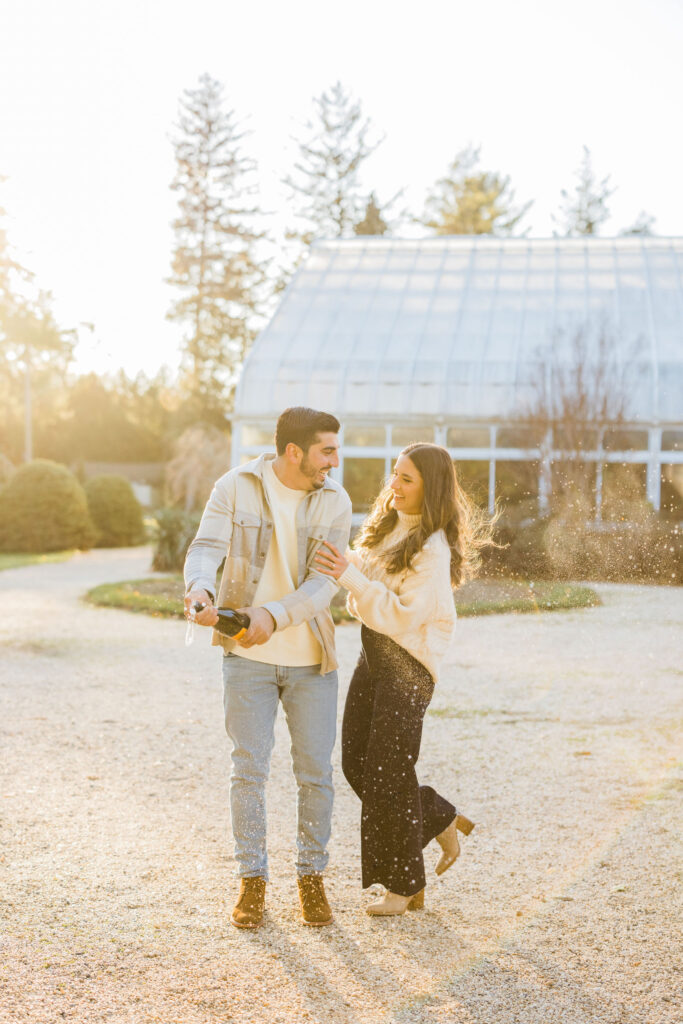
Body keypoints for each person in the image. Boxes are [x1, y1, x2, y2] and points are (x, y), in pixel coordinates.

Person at [184, 407, 352, 929]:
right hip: (248, 660)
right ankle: (252, 880)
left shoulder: (336, 500)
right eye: (327, 450)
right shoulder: (235, 486)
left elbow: (323, 585)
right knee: (248, 771)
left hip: (311, 662)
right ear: (294, 451)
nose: (335, 461)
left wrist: (271, 616)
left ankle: (311, 878)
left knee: (315, 775)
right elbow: (206, 548)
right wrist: (199, 589)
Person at [315, 442, 493, 916]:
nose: (393, 484)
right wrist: (341, 563)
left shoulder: (432, 550)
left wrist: (352, 578)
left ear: (429, 488)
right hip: (376, 651)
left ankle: (404, 884)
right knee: (357, 762)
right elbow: (366, 575)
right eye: (394, 474)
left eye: (406, 479)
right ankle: (436, 815)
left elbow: (401, 614)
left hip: (409, 665)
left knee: (386, 771)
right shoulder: (390, 524)